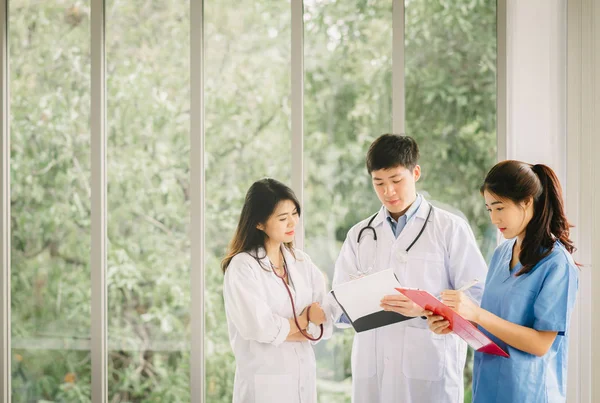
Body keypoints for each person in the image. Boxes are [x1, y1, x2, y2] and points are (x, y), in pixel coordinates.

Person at [332, 134, 488, 403]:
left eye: (396, 180)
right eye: (378, 183)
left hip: (429, 369)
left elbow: (477, 296)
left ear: (415, 173)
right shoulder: (359, 235)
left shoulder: (450, 228)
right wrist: (356, 300)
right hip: (374, 372)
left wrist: (424, 309)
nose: (388, 191)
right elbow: (337, 304)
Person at [426, 160, 579, 403]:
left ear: (527, 201)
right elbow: (491, 328)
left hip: (528, 392)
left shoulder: (556, 263)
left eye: (499, 208)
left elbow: (541, 344)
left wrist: (476, 314)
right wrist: (455, 324)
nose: (494, 219)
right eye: (489, 210)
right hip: (489, 387)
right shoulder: (502, 253)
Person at [222, 178, 334, 403]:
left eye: (294, 213)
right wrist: (304, 321)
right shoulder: (243, 267)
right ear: (259, 223)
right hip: (264, 386)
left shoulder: (302, 262)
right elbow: (259, 328)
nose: (292, 223)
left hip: (303, 381)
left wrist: (287, 330)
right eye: (283, 218)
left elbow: (323, 323)